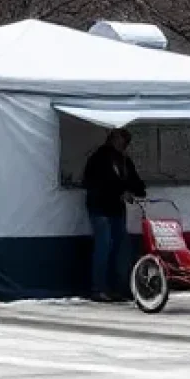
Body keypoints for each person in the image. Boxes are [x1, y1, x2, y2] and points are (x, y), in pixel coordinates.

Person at [82, 129, 146, 301]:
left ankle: (119, 287)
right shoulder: (99, 158)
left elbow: (135, 182)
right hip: (100, 207)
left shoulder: (124, 161)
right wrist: (120, 191)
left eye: (126, 140)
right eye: (121, 139)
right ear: (112, 139)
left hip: (115, 209)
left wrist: (137, 190)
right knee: (105, 245)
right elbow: (95, 182)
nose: (123, 143)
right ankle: (99, 288)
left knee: (120, 247)